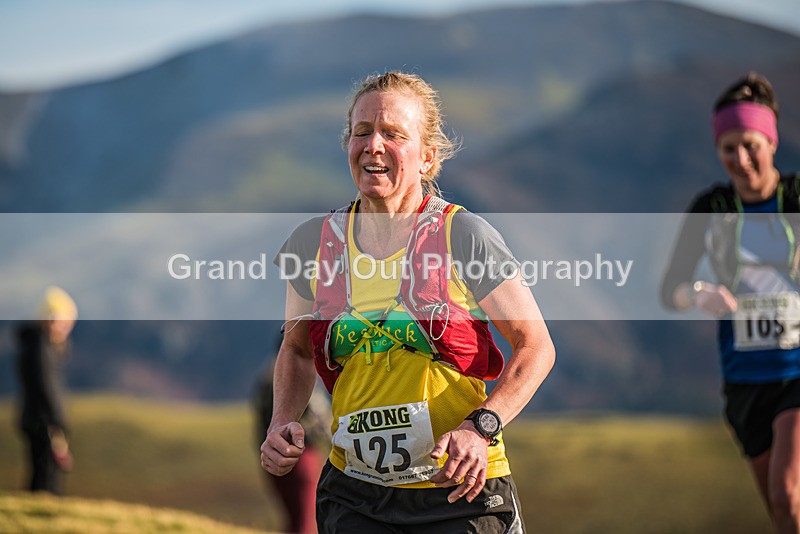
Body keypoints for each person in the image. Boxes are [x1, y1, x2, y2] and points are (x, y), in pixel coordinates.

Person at [260, 71, 555, 533]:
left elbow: (536, 346)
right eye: (362, 132)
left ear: (427, 157)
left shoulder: (463, 235)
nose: (373, 146)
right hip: (354, 496)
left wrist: (481, 427)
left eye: (393, 134)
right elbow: (296, 351)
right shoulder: (310, 244)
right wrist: (281, 421)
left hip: (458, 491)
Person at [661, 72, 800, 532]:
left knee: (787, 494)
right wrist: (698, 294)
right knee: (782, 513)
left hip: (796, 369)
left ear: (771, 142)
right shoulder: (711, 208)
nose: (741, 159)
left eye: (751, 145)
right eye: (728, 148)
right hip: (744, 378)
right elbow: (671, 287)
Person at [253, 338, 331, 534]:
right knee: (306, 520)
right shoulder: (298, 378)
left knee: (293, 518)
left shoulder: (265, 381)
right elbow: (320, 418)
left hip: (273, 455)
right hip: (302, 456)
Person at [15, 286, 78, 495]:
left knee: (41, 472)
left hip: (37, 419)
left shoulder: (36, 345)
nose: (66, 328)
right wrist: (58, 422)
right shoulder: (41, 348)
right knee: (47, 476)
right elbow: (47, 387)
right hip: (44, 422)